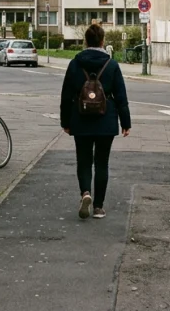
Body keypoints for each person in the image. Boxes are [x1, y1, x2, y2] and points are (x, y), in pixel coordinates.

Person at [60, 23, 131, 220]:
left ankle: (85, 193)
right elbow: (121, 96)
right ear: (102, 41)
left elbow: (66, 96)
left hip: (80, 118)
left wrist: (65, 122)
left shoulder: (75, 64)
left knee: (83, 160)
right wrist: (126, 123)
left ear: (85, 41)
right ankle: (99, 207)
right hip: (106, 120)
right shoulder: (112, 65)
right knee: (102, 163)